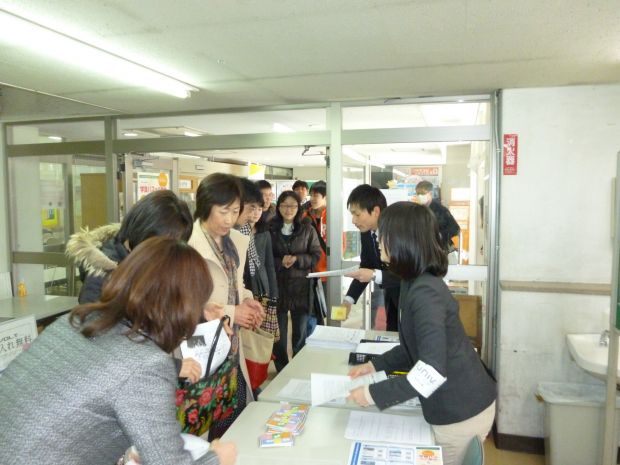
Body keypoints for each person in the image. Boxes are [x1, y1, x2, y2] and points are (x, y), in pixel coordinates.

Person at [0, 237, 237, 465]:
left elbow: (72, 419)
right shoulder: (146, 364)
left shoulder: (75, 321)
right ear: (182, 306)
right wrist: (216, 458)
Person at [348, 202, 496, 465]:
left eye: (384, 235)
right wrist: (375, 365)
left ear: (404, 240)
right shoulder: (412, 280)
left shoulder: (425, 292)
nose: (379, 241)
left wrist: (372, 394)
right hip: (454, 402)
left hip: (459, 411)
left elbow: (431, 371)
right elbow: (411, 348)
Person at [66, 189, 201, 382]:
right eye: (164, 245)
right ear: (144, 234)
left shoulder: (147, 264)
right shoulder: (103, 277)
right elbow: (99, 348)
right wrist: (171, 366)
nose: (169, 255)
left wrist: (200, 312)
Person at [188, 173, 265, 438]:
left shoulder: (234, 241)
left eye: (235, 211)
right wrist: (235, 313)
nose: (230, 219)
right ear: (205, 205)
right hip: (201, 347)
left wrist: (248, 300)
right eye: (224, 211)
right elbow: (189, 302)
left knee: (233, 416)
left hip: (231, 347)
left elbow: (236, 283)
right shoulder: (188, 246)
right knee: (204, 418)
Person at [269, 191, 322, 372]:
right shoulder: (270, 229)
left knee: (300, 334)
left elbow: (316, 255)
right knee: (279, 335)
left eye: (293, 205)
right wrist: (280, 261)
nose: (288, 209)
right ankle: (282, 369)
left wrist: (298, 260)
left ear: (299, 207)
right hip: (278, 288)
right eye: (284, 205)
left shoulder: (307, 228)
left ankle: (299, 368)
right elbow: (264, 258)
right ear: (278, 207)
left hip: (301, 288)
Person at [342, 184, 400, 331]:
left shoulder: (399, 232)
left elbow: (409, 272)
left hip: (410, 298)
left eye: (357, 214)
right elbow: (367, 265)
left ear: (375, 211)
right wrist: (348, 300)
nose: (354, 221)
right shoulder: (367, 232)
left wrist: (374, 274)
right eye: (352, 215)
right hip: (391, 297)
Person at [304, 180, 327, 334]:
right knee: (311, 310)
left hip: (326, 273)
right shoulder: (304, 216)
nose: (312, 198)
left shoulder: (332, 216)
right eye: (311, 195)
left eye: (316, 195)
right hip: (308, 271)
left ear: (325, 197)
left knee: (326, 309)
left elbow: (340, 245)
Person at [414, 180, 460, 255]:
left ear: (430, 194)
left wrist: (440, 235)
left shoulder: (441, 210)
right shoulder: (416, 210)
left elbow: (455, 228)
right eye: (418, 194)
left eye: (422, 194)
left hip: (438, 250)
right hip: (420, 251)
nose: (420, 196)